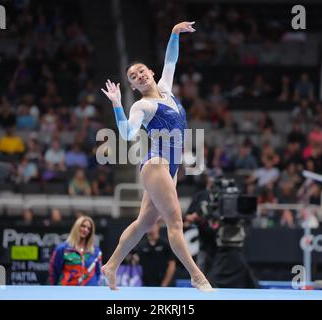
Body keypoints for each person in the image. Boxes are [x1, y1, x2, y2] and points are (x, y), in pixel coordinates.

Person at [100, 21, 214, 291]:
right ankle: (198, 277)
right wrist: (118, 105)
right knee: (175, 222)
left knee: (145, 222)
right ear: (135, 86)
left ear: (150, 72)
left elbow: (171, 60)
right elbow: (127, 134)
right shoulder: (143, 105)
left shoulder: (165, 88)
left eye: (141, 71)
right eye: (133, 77)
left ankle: (111, 265)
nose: (139, 75)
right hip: (156, 163)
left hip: (170, 166)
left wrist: (175, 33)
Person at [49, 216, 102, 286]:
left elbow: (98, 273)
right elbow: (54, 272)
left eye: (89, 228)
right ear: (76, 227)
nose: (86, 230)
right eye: (83, 226)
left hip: (90, 293)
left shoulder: (96, 251)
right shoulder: (62, 249)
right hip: (68, 292)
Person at [135, 222, 176, 287]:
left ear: (158, 226)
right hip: (146, 284)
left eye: (152, 225)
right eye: (148, 225)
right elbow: (136, 263)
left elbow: (172, 265)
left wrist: (164, 284)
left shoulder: (166, 244)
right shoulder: (141, 245)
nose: (150, 227)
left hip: (164, 284)